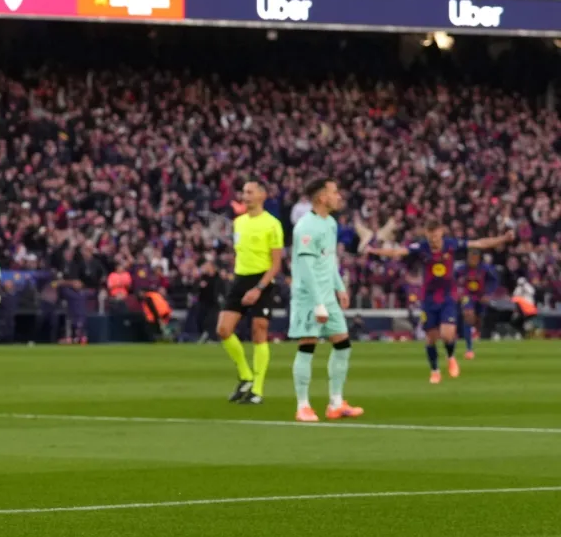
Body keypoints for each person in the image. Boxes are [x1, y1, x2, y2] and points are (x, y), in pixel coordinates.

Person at [366, 221, 514, 383]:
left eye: (435, 236)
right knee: (431, 338)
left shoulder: (451, 245)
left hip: (448, 297)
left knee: (447, 334)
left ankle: (451, 357)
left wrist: (503, 239)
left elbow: (479, 243)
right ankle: (435, 370)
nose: (433, 240)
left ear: (441, 232)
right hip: (429, 299)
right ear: (426, 234)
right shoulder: (421, 248)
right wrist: (375, 250)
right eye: (430, 236)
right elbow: (397, 252)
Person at [288, 178, 362, 422]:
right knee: (308, 345)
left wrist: (339, 287)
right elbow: (307, 267)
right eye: (334, 192)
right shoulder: (306, 227)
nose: (339, 196)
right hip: (309, 297)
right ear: (321, 198)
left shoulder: (329, 223)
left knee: (342, 344)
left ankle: (336, 403)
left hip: (327, 295)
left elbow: (328, 260)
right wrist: (319, 302)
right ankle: (303, 406)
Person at [217, 181, 283, 405]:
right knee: (224, 329)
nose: (245, 196)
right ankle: (245, 375)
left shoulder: (272, 224)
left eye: (250, 192)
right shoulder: (239, 223)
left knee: (259, 330)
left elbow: (275, 264)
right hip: (240, 279)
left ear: (262, 196)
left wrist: (258, 289)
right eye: (243, 192)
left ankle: (257, 389)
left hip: (262, 279)